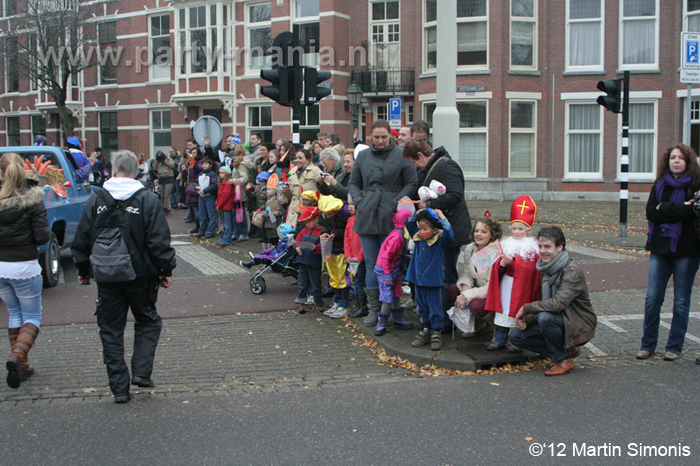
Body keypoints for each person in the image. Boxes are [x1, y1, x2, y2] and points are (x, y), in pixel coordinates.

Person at [71, 150, 176, 403]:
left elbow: (83, 236)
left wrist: (84, 270)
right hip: (140, 275)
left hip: (106, 276)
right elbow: (159, 239)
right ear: (136, 171)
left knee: (110, 329)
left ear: (114, 170)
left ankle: (119, 388)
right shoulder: (147, 199)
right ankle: (141, 372)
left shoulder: (96, 199)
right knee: (148, 320)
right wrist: (165, 270)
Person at [348, 120, 418, 327]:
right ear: (371, 137)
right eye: (376, 137)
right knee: (371, 265)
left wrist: (398, 200)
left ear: (390, 136)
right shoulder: (363, 156)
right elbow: (353, 182)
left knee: (392, 265)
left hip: (391, 217)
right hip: (367, 215)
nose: (380, 141)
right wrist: (360, 200)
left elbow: (412, 182)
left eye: (383, 137)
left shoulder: (401, 154)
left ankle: (394, 310)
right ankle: (373, 310)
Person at [636, 144, 700, 362]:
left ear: (688, 162)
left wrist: (665, 208)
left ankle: (674, 347)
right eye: (673, 157)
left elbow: (694, 212)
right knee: (652, 298)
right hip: (660, 248)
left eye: (681, 158)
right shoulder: (660, 183)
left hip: (688, 250)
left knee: (681, 301)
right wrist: (681, 209)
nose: (676, 161)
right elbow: (650, 213)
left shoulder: (696, 184)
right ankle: (647, 345)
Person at [404, 139, 472, 331]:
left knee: (445, 276)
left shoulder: (446, 166)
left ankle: (445, 320)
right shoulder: (432, 167)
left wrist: (429, 206)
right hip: (437, 232)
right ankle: (437, 318)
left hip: (448, 233)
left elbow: (456, 195)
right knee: (440, 275)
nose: (415, 167)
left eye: (414, 162)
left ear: (420, 156)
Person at [511, 226, 597, 376]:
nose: (542, 250)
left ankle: (563, 360)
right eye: (540, 246)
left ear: (560, 247)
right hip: (558, 319)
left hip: (578, 322)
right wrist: (528, 320)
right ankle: (566, 350)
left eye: (547, 246)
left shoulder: (571, 270)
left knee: (545, 318)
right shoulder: (545, 267)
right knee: (516, 336)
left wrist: (527, 308)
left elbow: (558, 304)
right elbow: (543, 301)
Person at [0, 153, 50, 389]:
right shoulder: (33, 199)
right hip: (24, 266)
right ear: (23, 170)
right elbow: (42, 236)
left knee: (14, 314)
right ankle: (17, 357)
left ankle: (22, 367)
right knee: (32, 316)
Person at [484, 196, 540, 352]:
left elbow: (530, 269)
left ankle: (516, 341)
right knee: (502, 311)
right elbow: (493, 265)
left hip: (522, 287)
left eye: (521, 229)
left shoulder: (532, 249)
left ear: (528, 230)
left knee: (517, 312)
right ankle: (499, 338)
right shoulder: (504, 244)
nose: (517, 232)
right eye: (514, 228)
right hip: (507, 284)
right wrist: (501, 264)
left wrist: (514, 263)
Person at [406, 208, 453, 350]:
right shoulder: (419, 239)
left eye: (425, 229)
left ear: (434, 230)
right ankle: (425, 329)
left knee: (435, 308)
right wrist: (417, 213)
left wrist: (442, 216)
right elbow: (409, 224)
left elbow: (449, 233)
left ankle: (436, 331)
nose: (421, 232)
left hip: (433, 282)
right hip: (419, 281)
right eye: (420, 228)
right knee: (422, 307)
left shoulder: (439, 242)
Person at [454, 215, 503, 337]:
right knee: (452, 290)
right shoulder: (471, 248)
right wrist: (465, 287)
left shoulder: (497, 253)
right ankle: (477, 325)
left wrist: (468, 295)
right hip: (477, 288)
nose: (478, 234)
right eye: (476, 230)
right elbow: (467, 272)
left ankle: (495, 325)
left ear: (492, 235)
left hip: (494, 294)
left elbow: (492, 286)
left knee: (476, 305)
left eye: (484, 231)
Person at [374, 210, 415, 336]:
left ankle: (398, 318)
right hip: (386, 270)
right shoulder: (397, 237)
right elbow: (386, 257)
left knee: (397, 292)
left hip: (394, 269)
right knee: (387, 296)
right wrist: (387, 275)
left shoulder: (399, 235)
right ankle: (381, 323)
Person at [318, 195, 351, 319]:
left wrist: (336, 234)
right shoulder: (327, 218)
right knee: (334, 278)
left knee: (343, 279)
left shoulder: (344, 217)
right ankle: (336, 302)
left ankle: (344, 304)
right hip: (331, 250)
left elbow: (348, 233)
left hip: (342, 251)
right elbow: (325, 227)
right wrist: (324, 233)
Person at [294, 206, 324, 313]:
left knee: (316, 283)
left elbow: (323, 246)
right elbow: (297, 241)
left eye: (309, 222)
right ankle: (301, 303)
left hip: (314, 262)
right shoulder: (303, 231)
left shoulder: (321, 231)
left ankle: (318, 302)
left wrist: (316, 248)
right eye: (305, 222)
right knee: (302, 283)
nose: (307, 224)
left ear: (316, 219)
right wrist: (297, 247)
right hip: (303, 261)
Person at [286, 149, 323, 226]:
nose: (297, 160)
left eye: (300, 158)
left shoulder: (314, 170)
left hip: (308, 211)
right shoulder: (293, 173)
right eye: (296, 158)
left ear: (308, 159)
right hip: (294, 212)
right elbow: (292, 195)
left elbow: (324, 185)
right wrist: (285, 191)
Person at [195, 158, 219, 238]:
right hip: (201, 196)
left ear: (210, 165)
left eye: (206, 164)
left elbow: (214, 185)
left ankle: (210, 231)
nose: (204, 166)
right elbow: (195, 183)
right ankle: (202, 230)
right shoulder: (200, 174)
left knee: (211, 214)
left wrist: (205, 190)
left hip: (209, 196)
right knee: (202, 214)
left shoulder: (213, 174)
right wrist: (196, 187)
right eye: (203, 164)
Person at [215, 166, 234, 248]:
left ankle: (226, 239)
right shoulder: (223, 183)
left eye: (222, 173)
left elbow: (225, 196)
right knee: (224, 223)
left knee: (226, 224)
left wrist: (219, 204)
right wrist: (218, 203)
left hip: (226, 206)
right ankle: (224, 238)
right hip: (223, 206)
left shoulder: (227, 184)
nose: (220, 175)